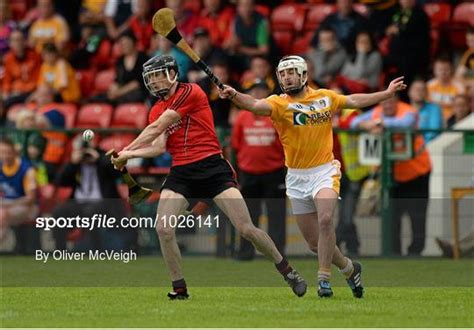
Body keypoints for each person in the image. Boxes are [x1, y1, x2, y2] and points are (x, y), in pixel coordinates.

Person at [110, 54, 307, 300]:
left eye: (159, 75)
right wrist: (129, 155)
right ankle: (179, 287)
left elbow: (158, 127)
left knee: (246, 228)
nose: (155, 82)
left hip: (212, 167)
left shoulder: (190, 92)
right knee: (163, 228)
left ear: (172, 74)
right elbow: (159, 145)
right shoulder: (156, 109)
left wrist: (126, 151)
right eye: (151, 78)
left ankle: (287, 271)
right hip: (182, 172)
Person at [219, 55, 407, 298]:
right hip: (297, 177)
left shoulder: (324, 97)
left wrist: (385, 93)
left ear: (303, 75)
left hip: (325, 171)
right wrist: (234, 95)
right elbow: (254, 105)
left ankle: (324, 278)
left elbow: (353, 100)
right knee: (314, 243)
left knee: (326, 219)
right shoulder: (278, 103)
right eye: (282, 74)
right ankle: (350, 268)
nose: (286, 77)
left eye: (291, 72)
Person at [351, 93, 431, 256]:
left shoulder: (408, 111)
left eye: (390, 102)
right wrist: (368, 124)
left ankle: (416, 251)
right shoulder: (376, 112)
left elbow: (405, 124)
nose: (387, 106)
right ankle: (394, 252)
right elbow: (354, 123)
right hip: (392, 176)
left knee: (417, 216)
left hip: (417, 173)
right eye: (383, 103)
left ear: (397, 101)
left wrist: (378, 123)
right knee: (392, 217)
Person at [231, 79, 286, 260]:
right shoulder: (241, 117)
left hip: (274, 171)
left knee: (276, 215)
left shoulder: (276, 115)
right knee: (248, 216)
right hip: (249, 173)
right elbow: (236, 145)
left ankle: (277, 254)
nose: (257, 94)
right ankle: (245, 252)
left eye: (261, 90)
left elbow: (284, 143)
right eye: (254, 91)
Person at [52, 136, 133, 252]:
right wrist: (72, 163)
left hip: (104, 203)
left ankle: (95, 250)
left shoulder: (103, 158)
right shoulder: (75, 164)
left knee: (90, 212)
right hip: (80, 202)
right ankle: (60, 251)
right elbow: (60, 181)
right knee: (59, 211)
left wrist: (98, 159)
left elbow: (118, 174)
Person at [0, 136, 39, 253]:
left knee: (2, 214)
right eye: (1, 153)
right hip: (6, 205)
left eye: (7, 152)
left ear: (14, 152)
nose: (5, 156)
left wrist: (8, 204)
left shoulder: (26, 169)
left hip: (28, 207)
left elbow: (31, 199)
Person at [2, 30, 41, 109]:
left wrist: (23, 89)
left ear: (24, 41)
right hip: (15, 92)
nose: (17, 43)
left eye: (19, 39)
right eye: (14, 40)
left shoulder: (35, 57)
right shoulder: (8, 59)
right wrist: (6, 92)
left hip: (31, 91)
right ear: (10, 43)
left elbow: (39, 78)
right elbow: (7, 80)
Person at [427, 56, 466, 122]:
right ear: (434, 70)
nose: (443, 72)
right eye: (440, 69)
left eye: (446, 69)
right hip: (433, 120)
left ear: (451, 70)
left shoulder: (459, 87)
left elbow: (462, 106)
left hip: (454, 121)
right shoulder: (428, 86)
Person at [408, 78, 443, 143]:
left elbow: (434, 132)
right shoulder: (405, 109)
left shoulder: (434, 109)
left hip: (429, 147)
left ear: (426, 93)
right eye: (417, 90)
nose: (420, 92)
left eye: (423, 90)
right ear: (409, 92)